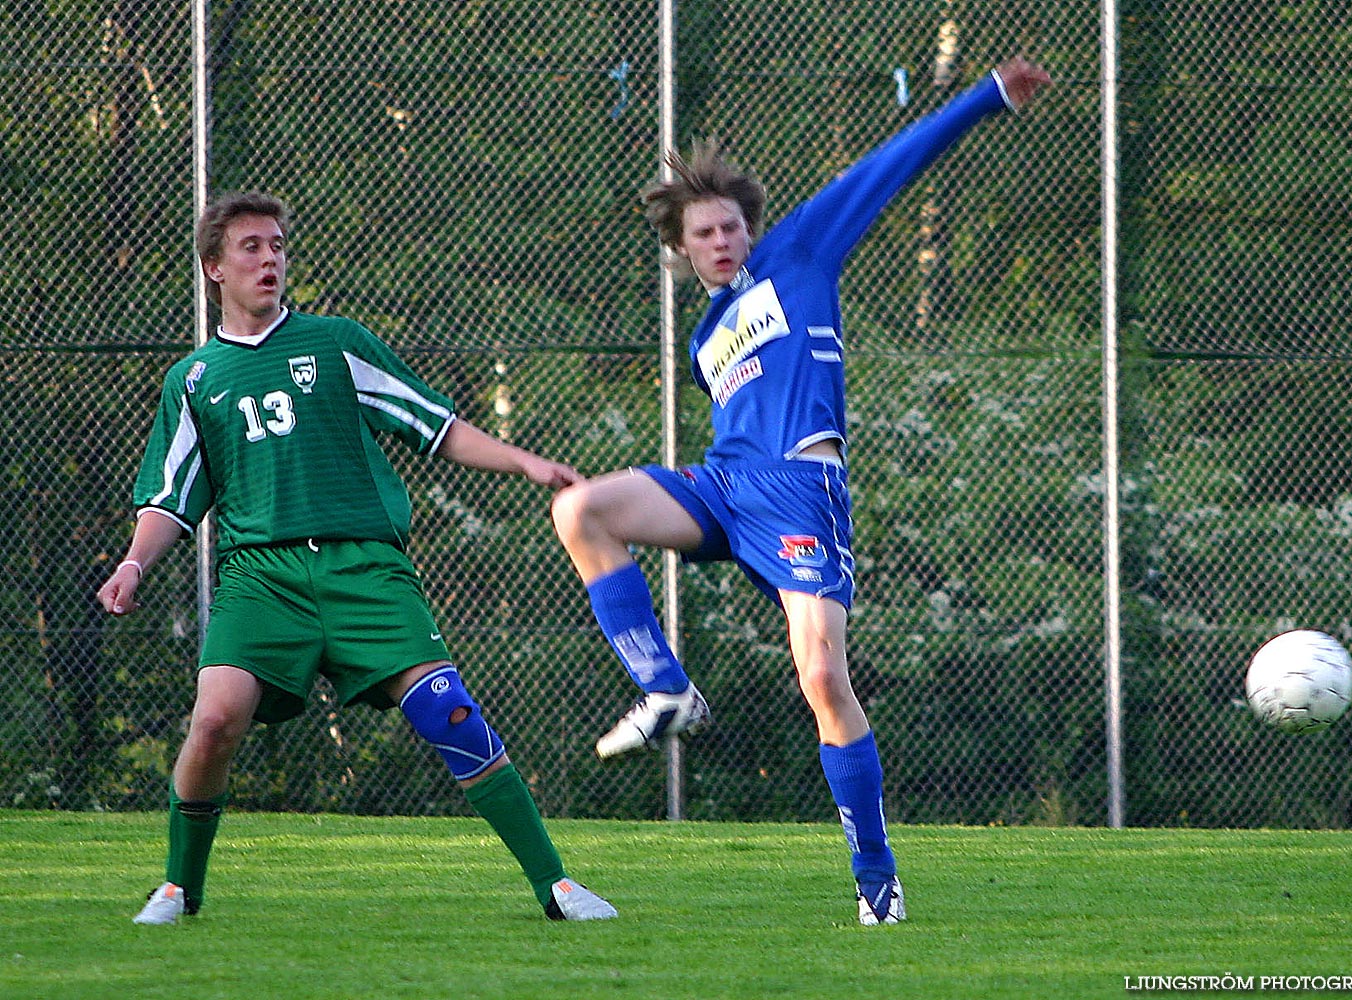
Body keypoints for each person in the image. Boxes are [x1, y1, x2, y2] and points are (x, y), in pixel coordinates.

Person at [551, 56, 1052, 925]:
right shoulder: (704, 335)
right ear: (680, 249)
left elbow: (884, 167)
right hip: (722, 486)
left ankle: (876, 878)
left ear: (751, 228)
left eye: (731, 226)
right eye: (704, 232)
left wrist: (984, 99)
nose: (723, 240)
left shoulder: (798, 252)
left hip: (799, 491)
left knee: (822, 677)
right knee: (580, 508)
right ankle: (666, 687)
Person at [98, 190, 617, 925]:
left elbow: (435, 426)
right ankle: (180, 888)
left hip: (363, 568)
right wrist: (132, 564)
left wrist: (525, 463)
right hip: (261, 579)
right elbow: (171, 499)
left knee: (451, 714)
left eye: (278, 244)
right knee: (213, 723)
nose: (270, 257)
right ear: (214, 266)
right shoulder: (194, 378)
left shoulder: (335, 341)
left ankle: (557, 887)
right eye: (251, 247)